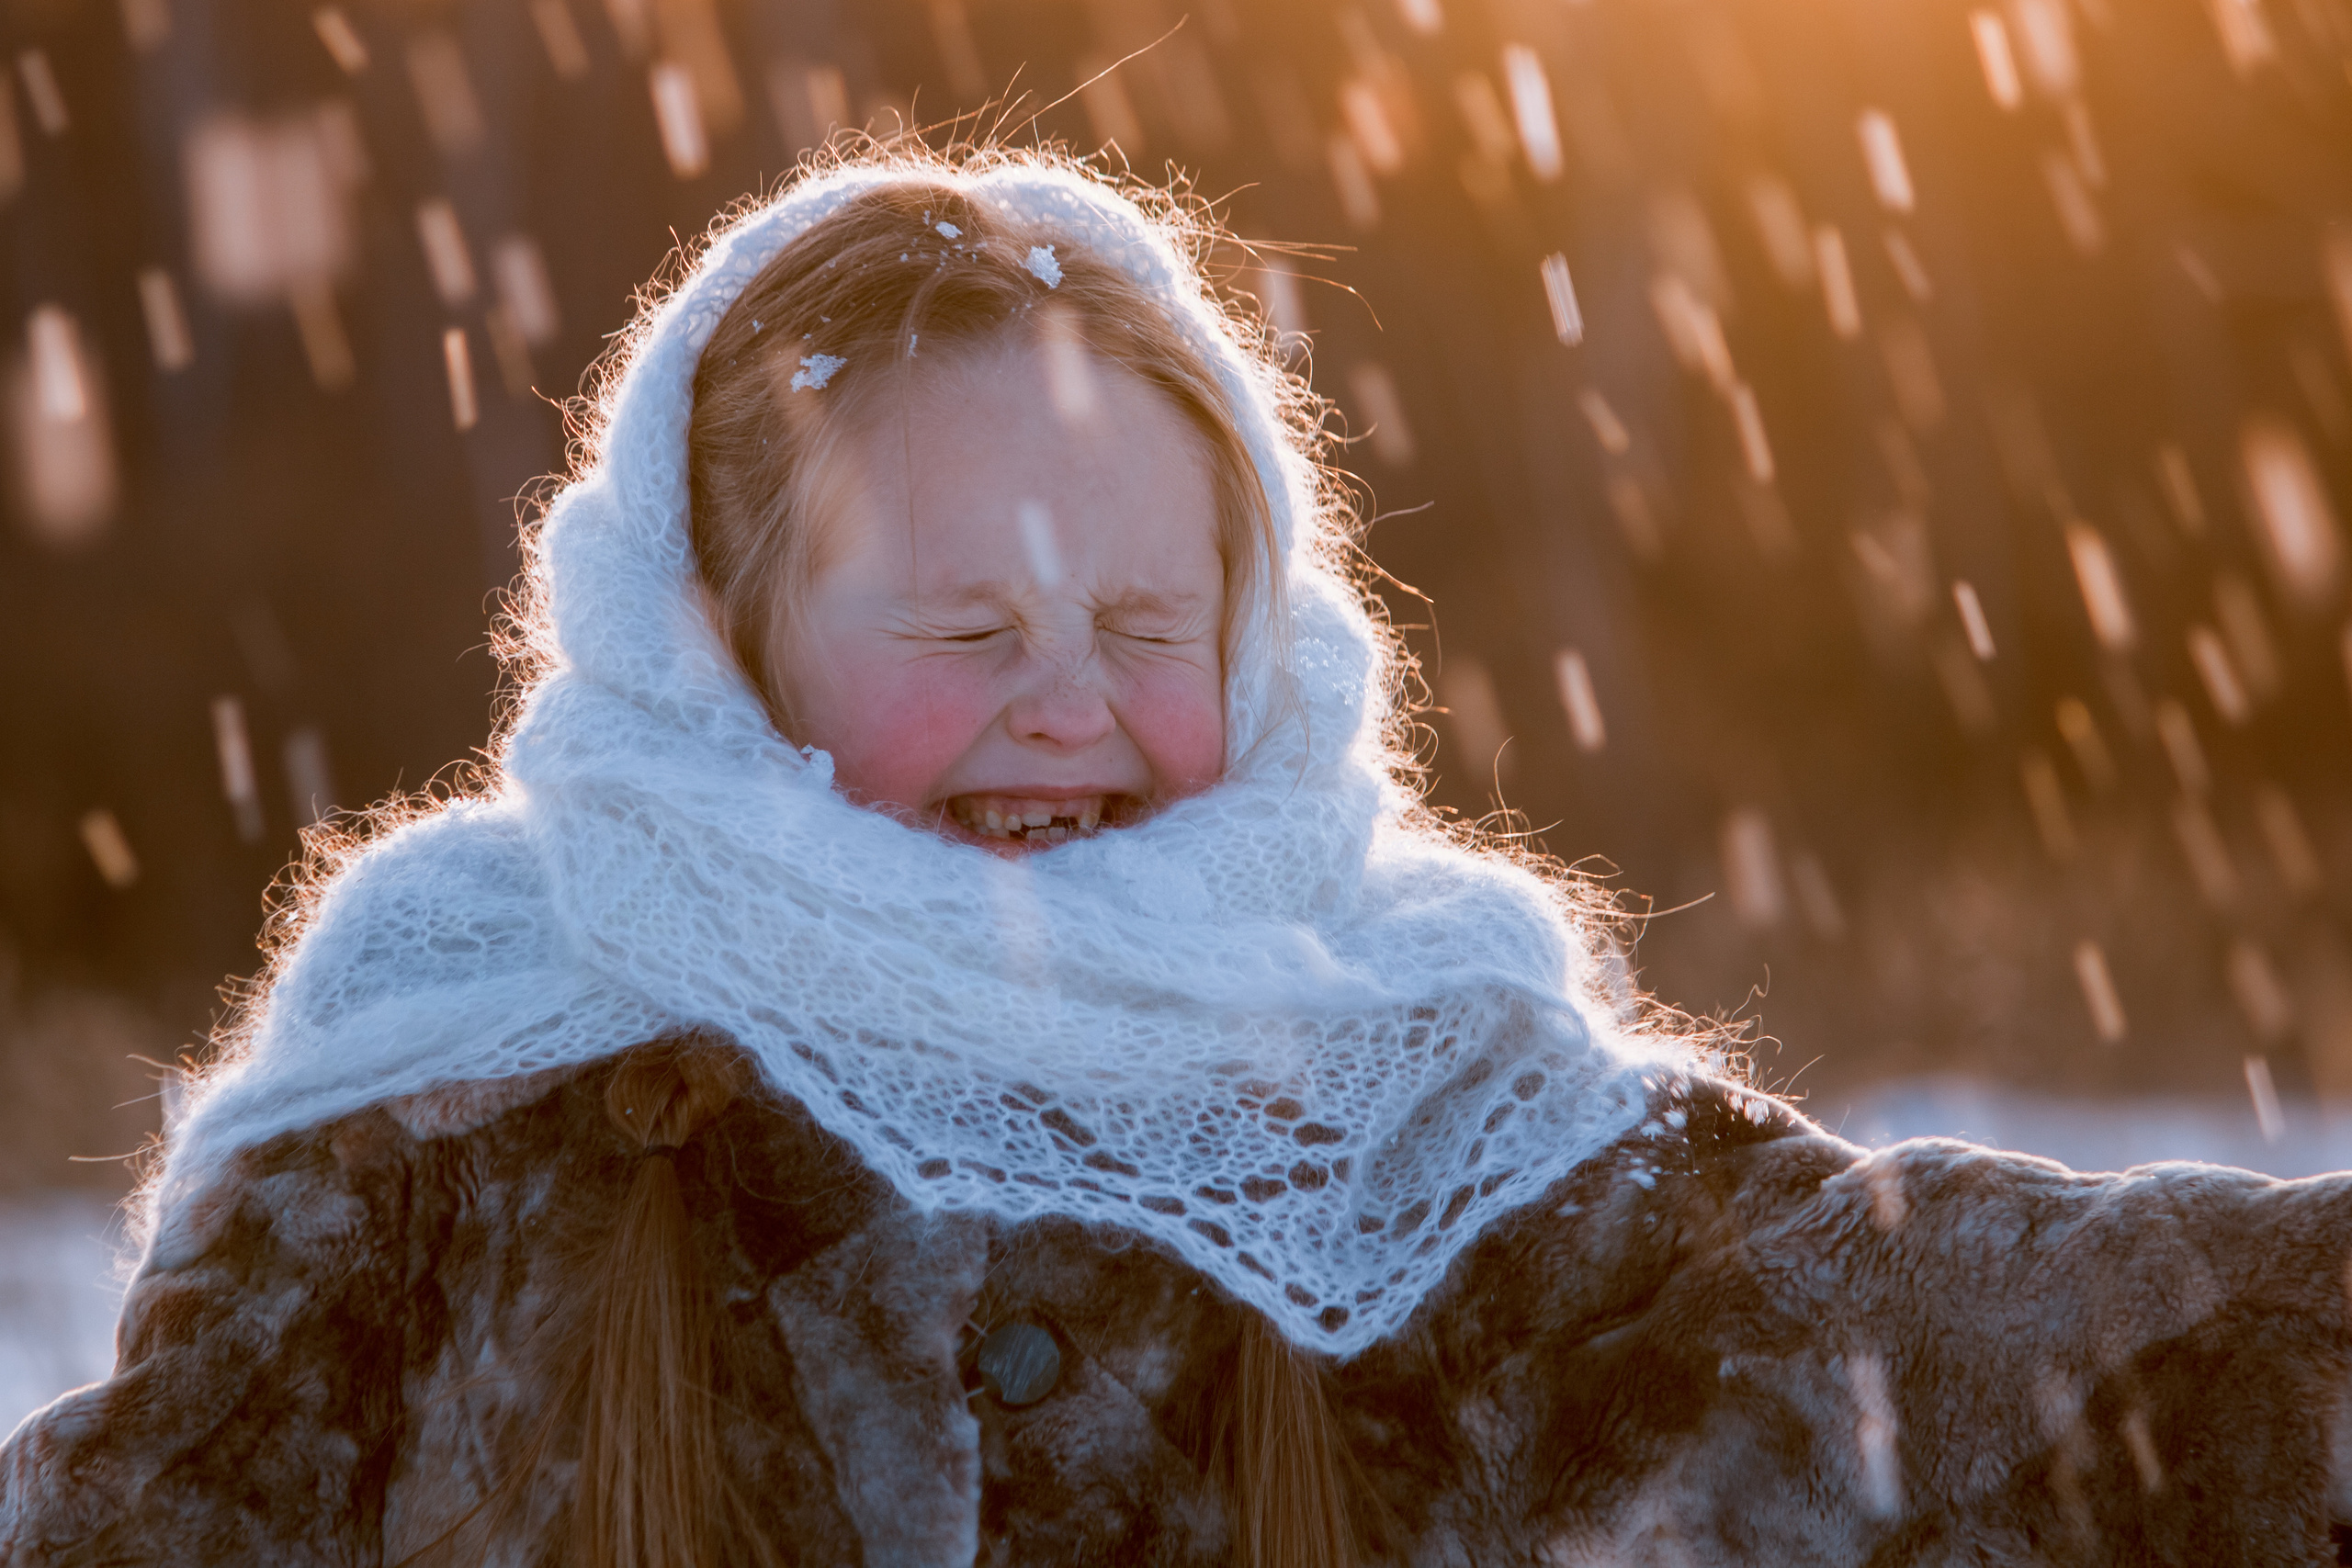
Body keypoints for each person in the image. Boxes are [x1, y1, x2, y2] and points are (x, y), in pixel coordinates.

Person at [6, 142, 2352, 1568]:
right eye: (963, 624)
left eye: (1144, 622)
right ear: (717, 643)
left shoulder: (1410, 1094)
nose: (1067, 699)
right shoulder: (465, 1055)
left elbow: (1937, 1338)